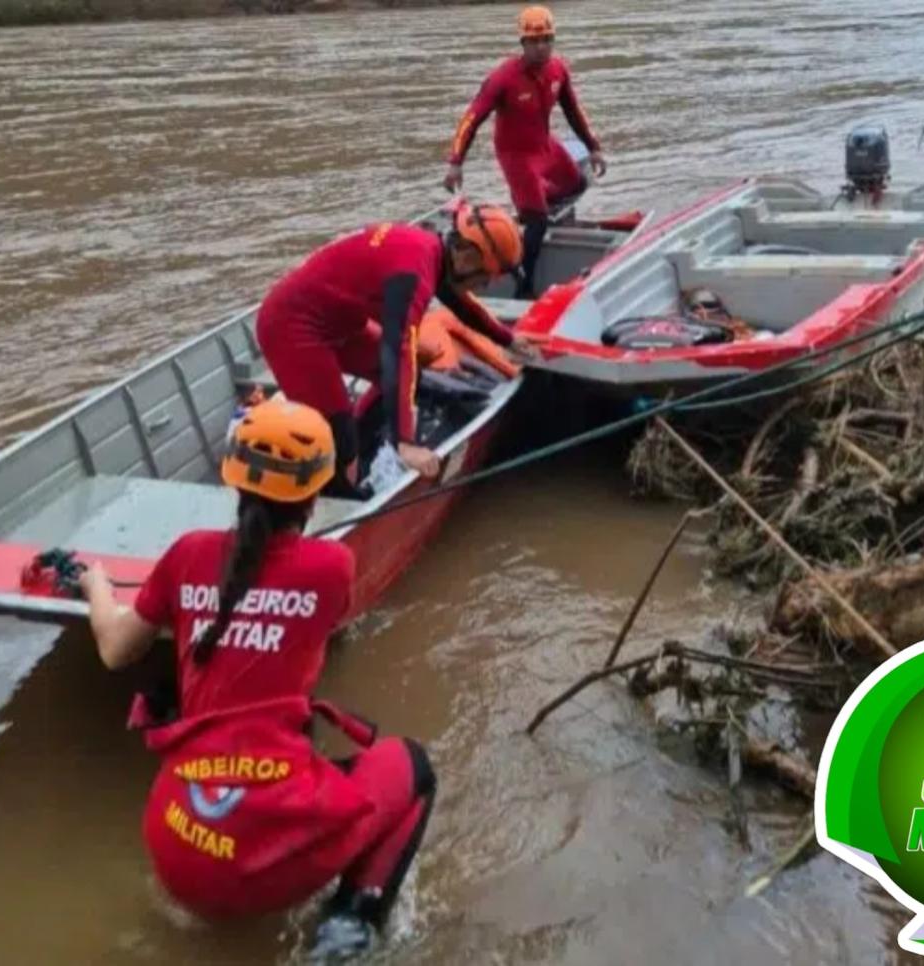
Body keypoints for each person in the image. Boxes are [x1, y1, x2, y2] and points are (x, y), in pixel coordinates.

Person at [79, 399, 435, 960]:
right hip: (261, 859)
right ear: (316, 493)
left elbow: (116, 651)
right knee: (412, 767)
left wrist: (96, 585)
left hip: (176, 847)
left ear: (232, 481)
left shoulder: (188, 554)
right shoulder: (330, 567)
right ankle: (349, 926)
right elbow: (309, 613)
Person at [255, 203, 536, 493]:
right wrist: (406, 443)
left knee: (404, 375)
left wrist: (509, 340)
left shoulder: (432, 252)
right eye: (484, 277)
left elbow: (460, 304)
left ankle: (360, 436)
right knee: (339, 439)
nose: (483, 285)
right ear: (467, 256)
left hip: (340, 323)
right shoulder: (413, 274)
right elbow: (397, 351)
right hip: (293, 329)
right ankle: (338, 499)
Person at [443, 4, 607, 298]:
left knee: (579, 183)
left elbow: (573, 110)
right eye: (534, 41)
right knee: (538, 222)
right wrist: (456, 162)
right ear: (523, 43)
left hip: (545, 145)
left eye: (547, 39)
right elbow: (472, 118)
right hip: (516, 155)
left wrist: (593, 147)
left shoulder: (558, 70)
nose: (541, 47)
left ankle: (534, 209)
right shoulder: (503, 78)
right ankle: (524, 285)